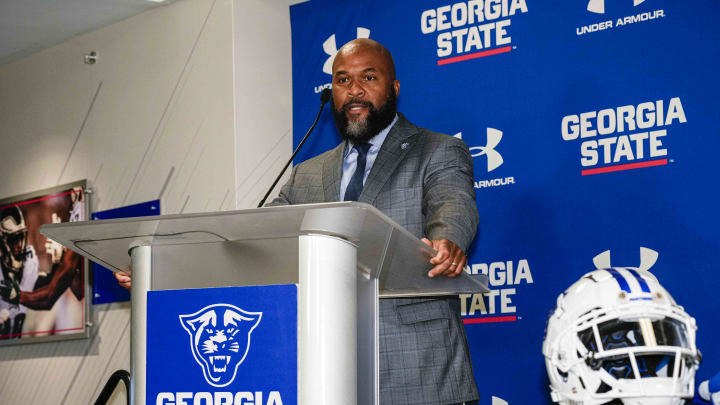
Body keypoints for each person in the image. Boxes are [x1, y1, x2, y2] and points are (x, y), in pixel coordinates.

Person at [116, 38, 480, 405]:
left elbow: (453, 204)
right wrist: (167, 265)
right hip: (322, 372)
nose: (354, 91)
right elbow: (252, 240)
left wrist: (448, 239)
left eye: (368, 78)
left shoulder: (436, 150)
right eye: (342, 80)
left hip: (418, 372)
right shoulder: (307, 173)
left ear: (394, 88)